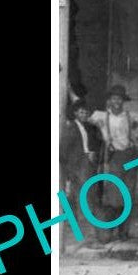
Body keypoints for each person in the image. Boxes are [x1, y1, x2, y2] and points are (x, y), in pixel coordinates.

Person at [90, 85, 138, 240]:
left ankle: (124, 231)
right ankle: (109, 229)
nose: (116, 102)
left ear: (123, 101)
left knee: (128, 193)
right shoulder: (101, 116)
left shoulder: (131, 116)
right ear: (109, 100)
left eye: (119, 99)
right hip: (113, 157)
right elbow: (86, 116)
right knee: (113, 195)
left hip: (129, 155)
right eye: (114, 98)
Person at [60, 99, 103, 240]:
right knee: (83, 197)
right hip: (77, 166)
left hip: (87, 165)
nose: (84, 114)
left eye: (86, 112)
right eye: (81, 112)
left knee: (87, 196)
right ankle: (85, 232)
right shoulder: (71, 128)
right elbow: (63, 150)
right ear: (75, 113)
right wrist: (70, 167)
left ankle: (86, 230)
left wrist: (90, 154)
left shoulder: (87, 127)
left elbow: (95, 143)